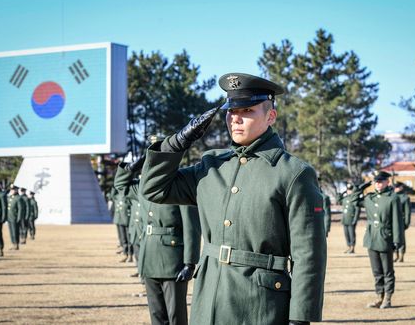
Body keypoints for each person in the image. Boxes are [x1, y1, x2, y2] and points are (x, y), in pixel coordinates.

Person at [140, 73, 327, 325]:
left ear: (270, 116)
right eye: (230, 111)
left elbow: (309, 254)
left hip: (260, 305)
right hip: (209, 300)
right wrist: (178, 142)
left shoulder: (293, 173)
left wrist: (299, 318)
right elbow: (154, 189)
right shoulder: (211, 166)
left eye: (247, 110)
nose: (235, 118)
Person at [115, 157, 201, 325]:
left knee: (175, 316)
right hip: (149, 258)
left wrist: (190, 263)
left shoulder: (180, 186)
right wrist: (130, 168)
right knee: (156, 314)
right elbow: (120, 186)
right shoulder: (142, 188)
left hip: (172, 260)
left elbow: (191, 227)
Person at [352, 171, 404, 309]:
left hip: (385, 237)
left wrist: (397, 241)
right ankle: (379, 296)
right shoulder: (369, 198)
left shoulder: (392, 198)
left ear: (388, 182)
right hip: (371, 238)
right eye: (376, 182)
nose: (378, 184)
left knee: (388, 271)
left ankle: (388, 298)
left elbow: (397, 221)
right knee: (376, 271)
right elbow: (353, 200)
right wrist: (362, 186)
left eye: (381, 181)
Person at [339, 183, 360, 254]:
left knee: (352, 234)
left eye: (350, 190)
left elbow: (357, 210)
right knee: (346, 234)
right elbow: (338, 199)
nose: (349, 191)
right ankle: (348, 246)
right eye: (348, 190)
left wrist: (355, 219)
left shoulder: (354, 199)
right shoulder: (345, 198)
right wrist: (343, 192)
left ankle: (352, 247)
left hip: (351, 220)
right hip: (345, 219)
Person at [113, 185, 133, 263]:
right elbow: (112, 195)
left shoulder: (129, 195)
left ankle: (130, 255)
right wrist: (114, 186)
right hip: (120, 219)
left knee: (129, 240)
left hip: (128, 220)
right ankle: (125, 254)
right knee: (123, 239)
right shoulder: (117, 196)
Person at [393, 182, 411, 263]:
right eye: (395, 187)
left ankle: (401, 256)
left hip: (401, 222)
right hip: (392, 221)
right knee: (393, 239)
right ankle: (395, 255)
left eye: (397, 187)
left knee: (401, 240)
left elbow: (407, 212)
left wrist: (406, 223)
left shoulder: (405, 198)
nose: (395, 189)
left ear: (401, 188)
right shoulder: (392, 196)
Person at [7, 184, 26, 250]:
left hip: (15, 217)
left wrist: (19, 218)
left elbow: (20, 209)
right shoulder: (10, 197)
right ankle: (13, 243)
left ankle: (16, 244)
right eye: (11, 189)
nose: (12, 191)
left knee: (15, 231)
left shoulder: (18, 198)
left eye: (14, 189)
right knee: (11, 231)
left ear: (17, 190)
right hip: (10, 217)